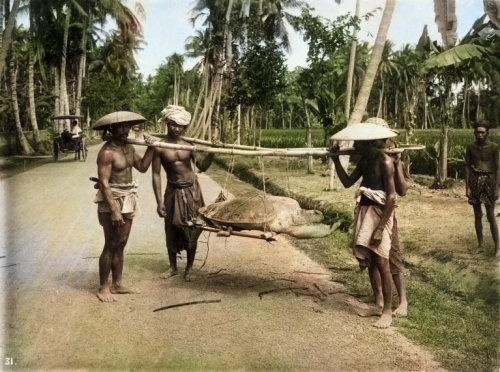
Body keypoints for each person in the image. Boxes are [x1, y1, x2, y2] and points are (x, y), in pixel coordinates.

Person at [331, 126, 398, 328]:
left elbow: (392, 197)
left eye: (358, 143)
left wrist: (380, 228)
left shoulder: (385, 162)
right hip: (365, 210)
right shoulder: (365, 160)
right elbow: (347, 182)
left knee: (382, 260)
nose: (354, 146)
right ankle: (378, 303)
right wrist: (335, 159)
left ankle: (388, 311)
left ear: (368, 143)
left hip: (380, 214)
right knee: (370, 258)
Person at [93, 111, 155, 302]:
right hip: (111, 199)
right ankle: (103, 287)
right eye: (119, 127)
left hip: (128, 197)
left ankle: (117, 284)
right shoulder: (107, 152)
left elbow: (143, 167)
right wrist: (114, 210)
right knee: (110, 244)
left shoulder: (128, 148)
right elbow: (104, 183)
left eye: (126, 126)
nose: (124, 130)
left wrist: (152, 148)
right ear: (111, 129)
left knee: (121, 243)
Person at [152, 105, 214, 281]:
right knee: (170, 229)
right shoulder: (159, 147)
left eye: (180, 125)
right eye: (173, 124)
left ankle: (189, 268)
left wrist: (212, 154)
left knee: (192, 228)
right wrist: (159, 202)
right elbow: (156, 174)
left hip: (192, 191)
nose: (176, 128)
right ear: (167, 124)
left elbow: (202, 167)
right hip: (173, 190)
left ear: (185, 128)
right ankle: (173, 267)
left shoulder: (189, 146)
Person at [465, 120, 499, 257]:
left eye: (482, 132)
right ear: (474, 133)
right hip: (475, 180)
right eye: (477, 132)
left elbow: (498, 168)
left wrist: (497, 188)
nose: (480, 135)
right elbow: (467, 167)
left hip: (489, 181)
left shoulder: (494, 147)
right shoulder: (470, 147)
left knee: (491, 215)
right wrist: (467, 187)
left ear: (487, 133)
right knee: (477, 215)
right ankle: (480, 245)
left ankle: (497, 248)